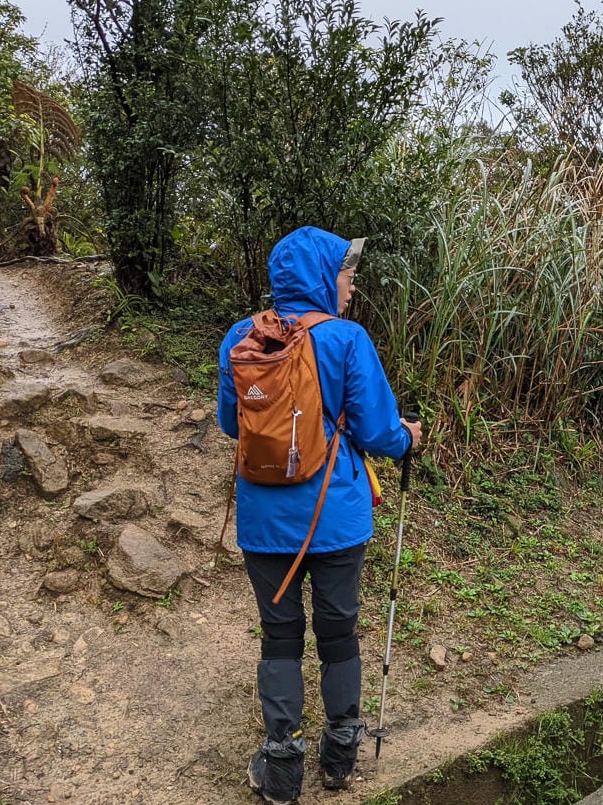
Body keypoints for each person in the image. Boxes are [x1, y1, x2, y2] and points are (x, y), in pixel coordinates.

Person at [217, 226, 422, 804]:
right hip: (336, 520)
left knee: (279, 636)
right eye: (346, 274)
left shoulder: (243, 337)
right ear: (322, 277)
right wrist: (409, 439)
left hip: (265, 522)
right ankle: (339, 756)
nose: (351, 287)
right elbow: (379, 432)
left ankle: (281, 770)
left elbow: (233, 426)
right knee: (338, 630)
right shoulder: (347, 340)